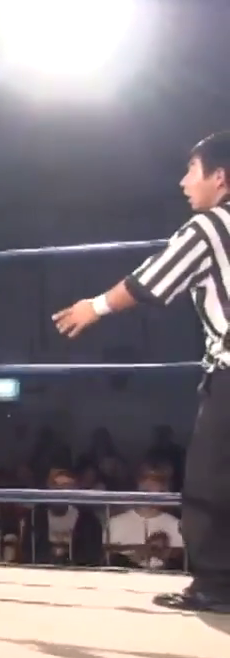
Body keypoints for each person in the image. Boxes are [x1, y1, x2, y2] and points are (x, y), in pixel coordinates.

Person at [52, 130, 230, 613]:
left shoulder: (210, 226)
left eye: (192, 171)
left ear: (219, 177)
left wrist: (93, 307)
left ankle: (216, 585)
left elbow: (152, 280)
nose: (183, 183)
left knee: (210, 481)